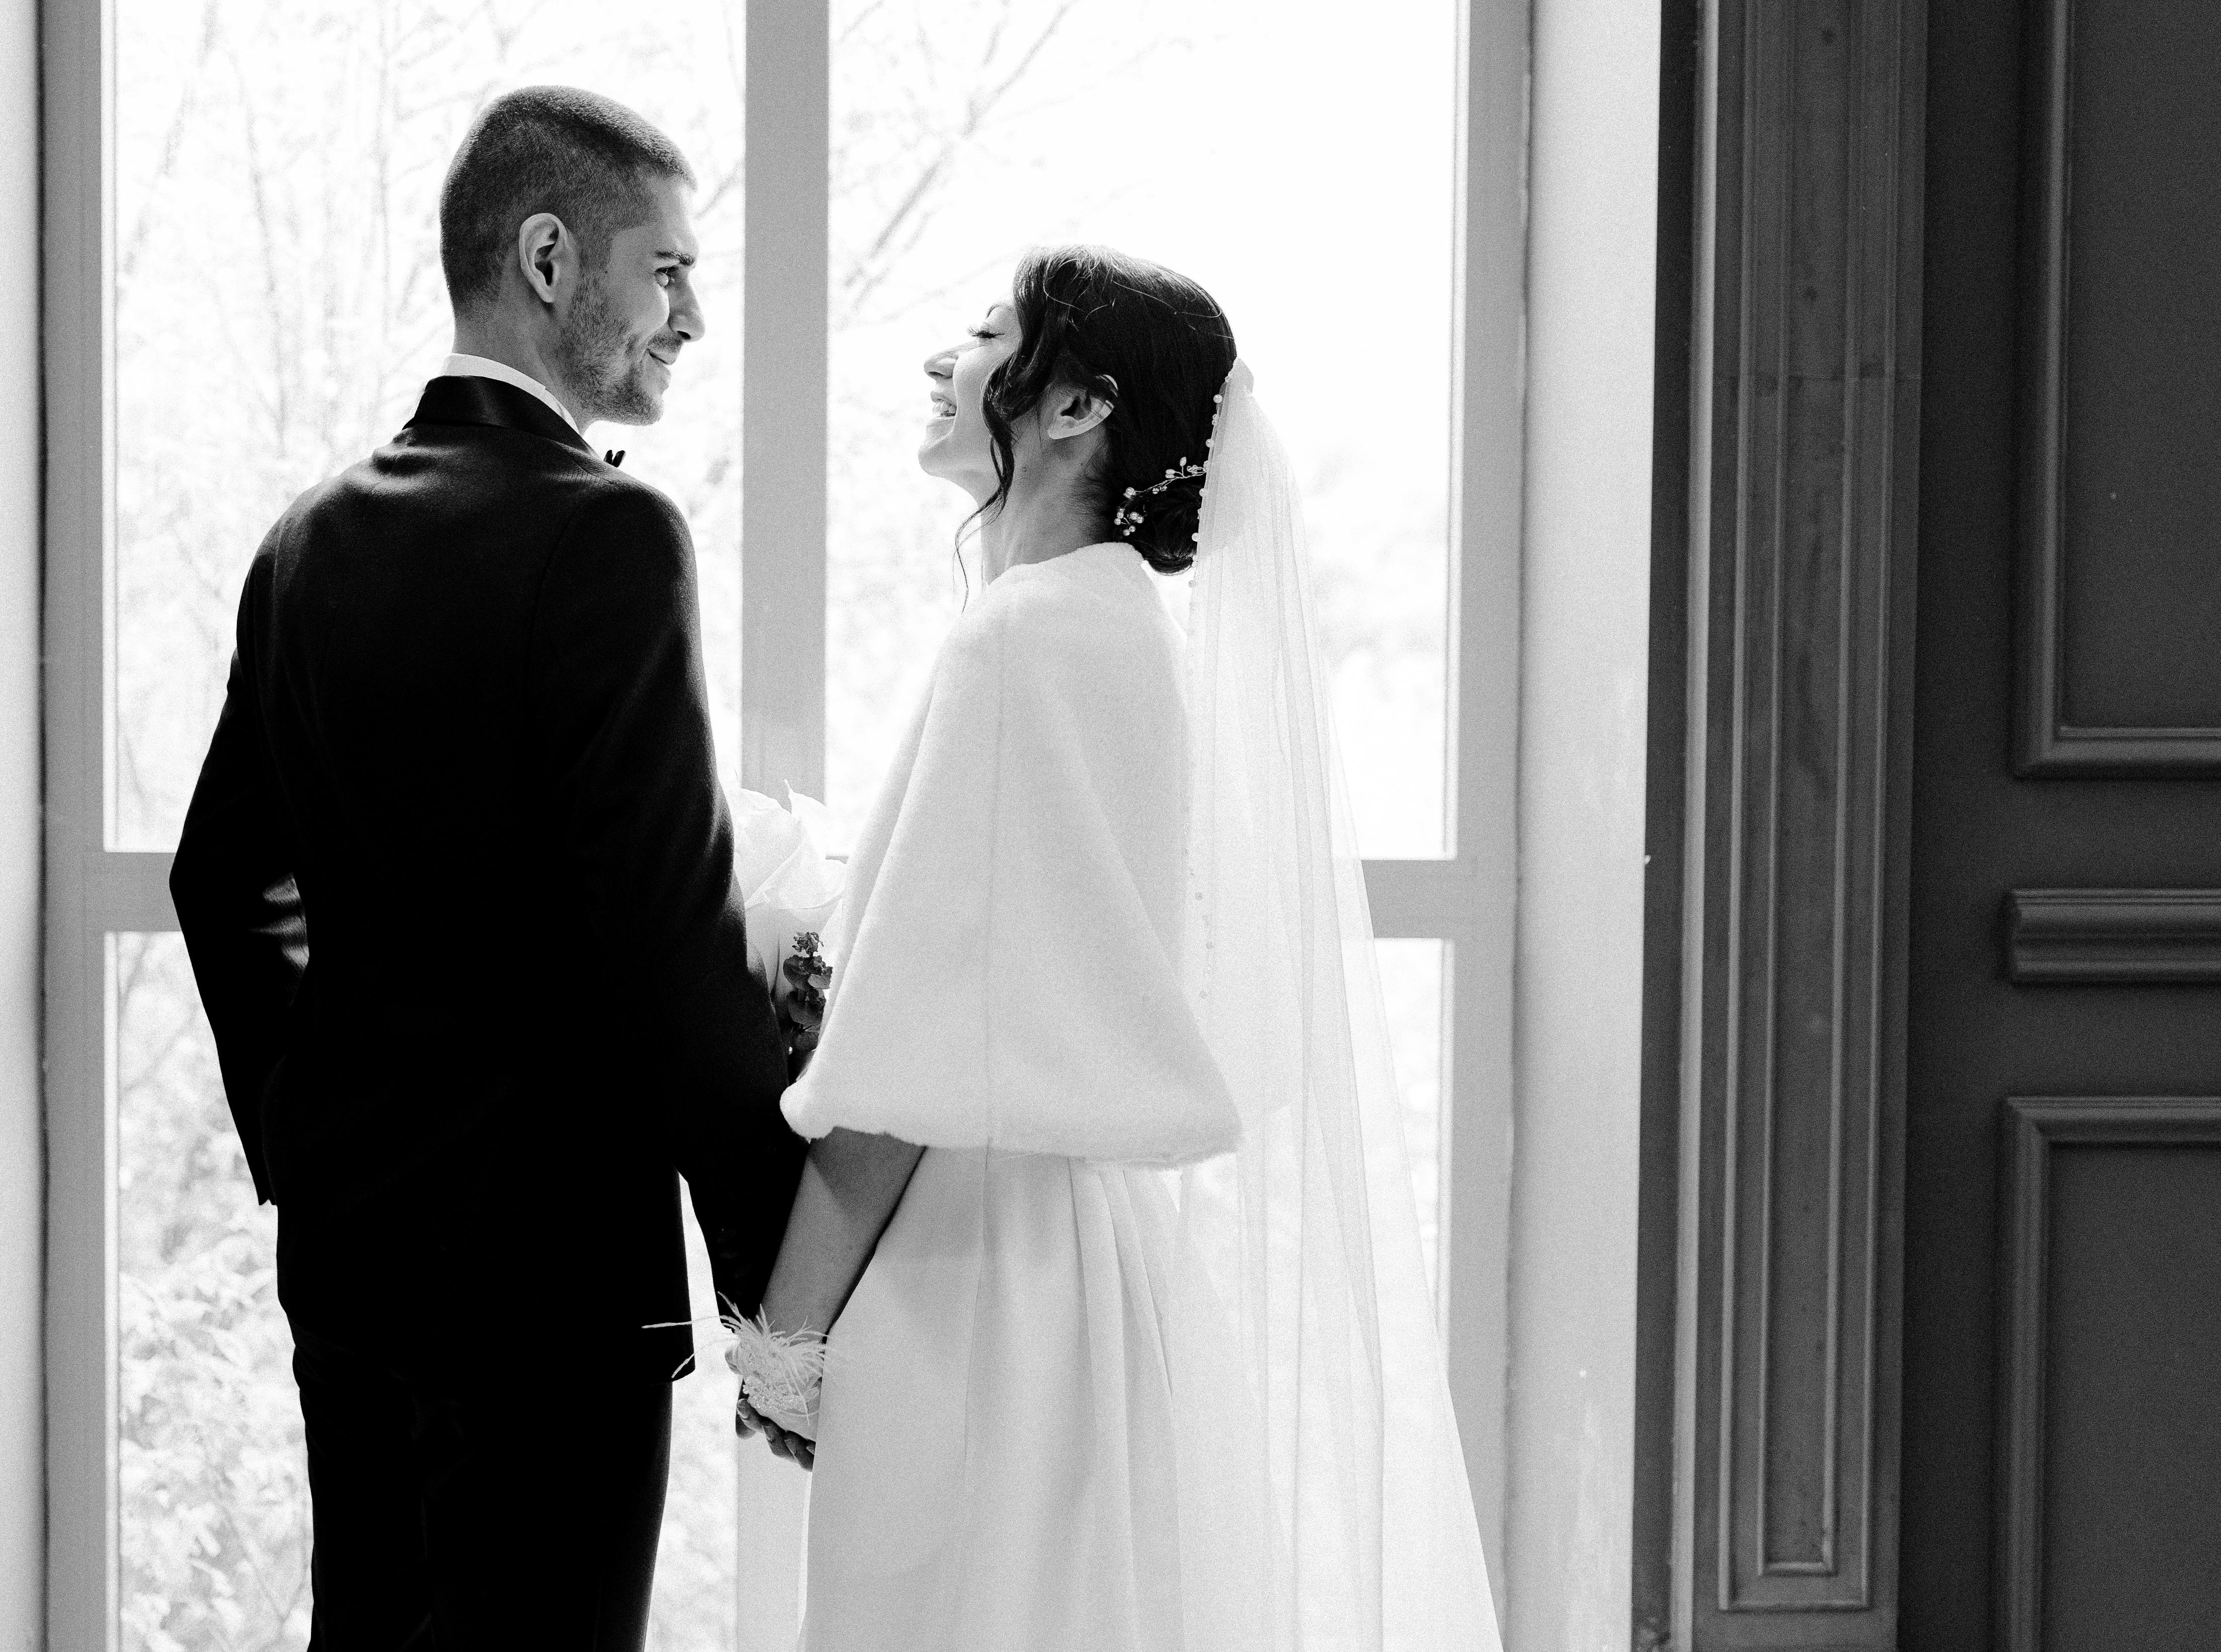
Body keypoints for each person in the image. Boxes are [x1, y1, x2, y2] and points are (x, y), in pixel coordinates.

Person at [743, 246, 1505, 1651]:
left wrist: (782, 1350)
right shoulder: (1121, 629)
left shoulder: (1018, 642)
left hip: (970, 1287)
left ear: (1078, 406)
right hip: (1096, 1268)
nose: (941, 360)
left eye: (984, 334)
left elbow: (911, 1073)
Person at [170, 85, 805, 1650]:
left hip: (356, 1265)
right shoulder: (610, 539)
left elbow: (214, 879)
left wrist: (311, 1152)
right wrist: (785, 1284)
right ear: (544, 258)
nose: (695, 318)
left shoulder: (306, 540)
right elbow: (669, 941)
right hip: (552, 1294)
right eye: (666, 272)